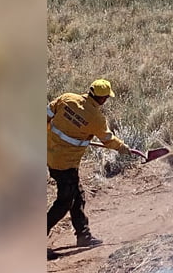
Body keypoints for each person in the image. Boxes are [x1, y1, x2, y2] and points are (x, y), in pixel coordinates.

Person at [47, 79, 132, 254]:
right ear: (103, 99)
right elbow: (107, 139)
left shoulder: (68, 98)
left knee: (77, 196)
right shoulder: (96, 118)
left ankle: (83, 236)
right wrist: (123, 148)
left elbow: (48, 112)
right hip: (65, 164)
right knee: (65, 202)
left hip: (50, 154)